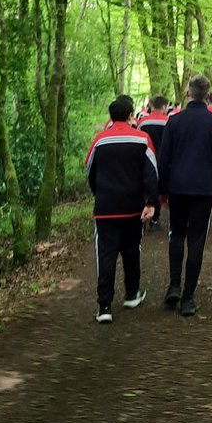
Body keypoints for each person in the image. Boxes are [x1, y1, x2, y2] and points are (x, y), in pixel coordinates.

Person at [157, 74, 212, 316]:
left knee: (177, 235)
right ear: (208, 96)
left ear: (188, 93)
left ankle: (174, 285)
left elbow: (163, 159)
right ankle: (188, 297)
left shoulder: (174, 122)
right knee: (196, 240)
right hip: (203, 190)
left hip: (177, 188)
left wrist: (162, 191)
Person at [85, 95, 158, 324]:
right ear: (130, 115)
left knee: (105, 255)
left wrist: (99, 193)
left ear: (111, 116)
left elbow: (90, 170)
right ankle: (132, 293)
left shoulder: (99, 141)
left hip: (106, 207)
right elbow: (151, 173)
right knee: (131, 250)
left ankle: (104, 306)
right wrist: (151, 202)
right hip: (132, 207)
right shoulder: (142, 139)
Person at [136, 95, 170, 230]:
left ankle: (143, 216)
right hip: (163, 161)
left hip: (146, 160)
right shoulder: (168, 121)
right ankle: (155, 220)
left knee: (145, 188)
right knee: (160, 190)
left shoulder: (143, 122)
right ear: (163, 107)